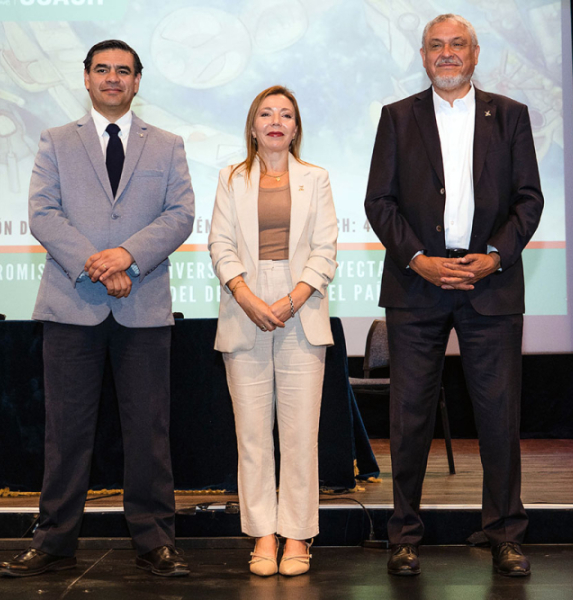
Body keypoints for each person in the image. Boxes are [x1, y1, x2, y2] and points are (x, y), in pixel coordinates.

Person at [0, 39, 195, 578]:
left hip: (143, 307)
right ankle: (54, 542)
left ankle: (156, 541)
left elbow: (180, 215)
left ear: (137, 81)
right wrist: (99, 264)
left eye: (123, 71)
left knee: (149, 432)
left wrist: (128, 256)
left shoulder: (168, 145)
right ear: (85, 78)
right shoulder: (56, 140)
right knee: (65, 434)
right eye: (102, 69)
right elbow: (42, 213)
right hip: (71, 306)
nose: (112, 78)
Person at [364, 14, 544, 577]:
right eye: (436, 46)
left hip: (490, 283)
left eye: (457, 44)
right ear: (423, 56)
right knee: (409, 417)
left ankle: (505, 534)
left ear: (475, 53)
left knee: (499, 416)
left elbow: (529, 199)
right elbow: (379, 202)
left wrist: (495, 256)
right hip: (417, 285)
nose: (446, 53)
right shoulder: (398, 117)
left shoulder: (510, 115)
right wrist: (419, 259)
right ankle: (404, 536)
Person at [208, 86, 338, 577]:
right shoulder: (231, 178)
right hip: (244, 300)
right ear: (253, 126)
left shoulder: (316, 178)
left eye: (286, 114)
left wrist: (290, 299)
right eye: (266, 113)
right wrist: (247, 297)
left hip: (301, 302)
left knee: (301, 434)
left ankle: (298, 535)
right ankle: (263, 533)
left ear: (296, 127)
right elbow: (220, 245)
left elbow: (325, 249)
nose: (276, 121)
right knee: (252, 434)